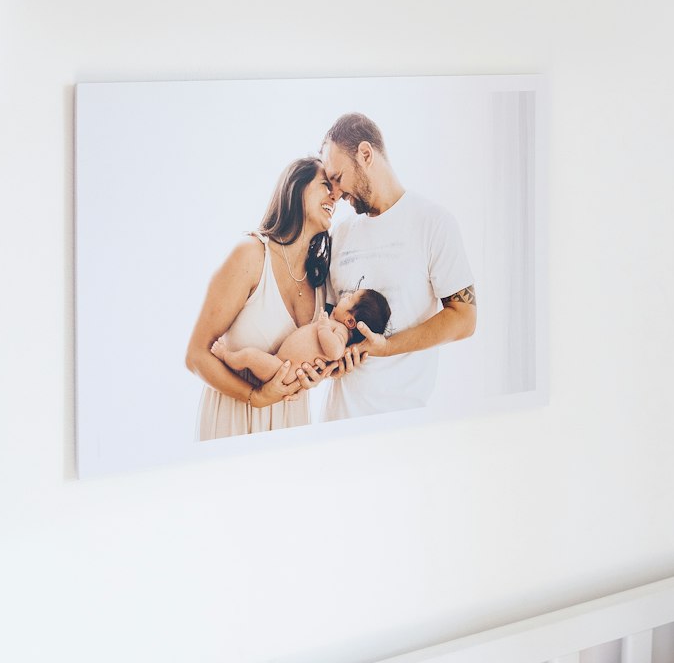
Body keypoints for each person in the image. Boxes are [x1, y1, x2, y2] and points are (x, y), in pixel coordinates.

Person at [318, 113, 477, 421]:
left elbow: (465, 318)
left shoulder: (433, 223)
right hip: (334, 423)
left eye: (338, 178)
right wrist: (329, 362)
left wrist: (387, 347)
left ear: (365, 154)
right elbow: (327, 320)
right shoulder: (341, 234)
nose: (334, 194)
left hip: (399, 424)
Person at [186, 157, 335, 439]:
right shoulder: (251, 255)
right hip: (235, 420)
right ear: (296, 188)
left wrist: (315, 377)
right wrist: (256, 396)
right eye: (326, 185)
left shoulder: (320, 281)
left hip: (292, 423)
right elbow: (195, 356)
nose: (334, 196)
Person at [209, 288, 391, 387]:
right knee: (252, 357)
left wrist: (323, 327)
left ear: (350, 321)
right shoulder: (334, 325)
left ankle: (226, 355)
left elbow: (335, 352)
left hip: (284, 370)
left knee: (249, 356)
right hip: (281, 364)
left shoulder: (340, 332)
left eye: (350, 298)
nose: (344, 296)